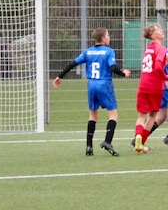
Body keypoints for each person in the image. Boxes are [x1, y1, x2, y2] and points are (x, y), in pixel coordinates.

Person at [53, 27, 130, 156]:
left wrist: (60, 76)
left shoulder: (88, 52)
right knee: (113, 115)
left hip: (91, 85)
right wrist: (123, 73)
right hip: (104, 84)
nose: (109, 37)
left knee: (93, 115)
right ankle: (107, 141)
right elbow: (112, 67)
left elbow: (72, 64)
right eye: (108, 35)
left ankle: (89, 146)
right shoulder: (109, 51)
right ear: (103, 38)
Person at [132, 24, 168, 154]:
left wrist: (164, 63)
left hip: (143, 84)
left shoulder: (148, 49)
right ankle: (142, 142)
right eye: (159, 30)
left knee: (141, 115)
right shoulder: (161, 48)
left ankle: (138, 136)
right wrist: (167, 77)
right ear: (153, 36)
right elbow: (157, 68)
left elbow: (154, 64)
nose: (162, 31)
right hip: (154, 86)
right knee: (153, 115)